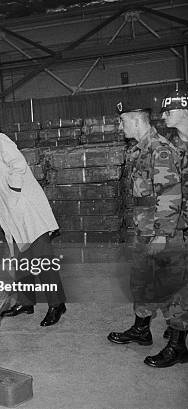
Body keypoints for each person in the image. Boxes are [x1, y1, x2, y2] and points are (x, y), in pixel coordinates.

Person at [0, 119, 66, 326]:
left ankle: (57, 304)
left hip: (27, 212)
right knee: (20, 260)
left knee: (42, 260)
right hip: (11, 217)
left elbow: (18, 164)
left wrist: (15, 192)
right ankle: (26, 302)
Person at [107, 101, 185, 367]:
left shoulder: (160, 150)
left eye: (122, 121)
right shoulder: (137, 150)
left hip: (161, 232)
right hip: (144, 229)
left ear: (137, 120)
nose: (120, 126)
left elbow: (170, 195)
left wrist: (162, 235)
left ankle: (178, 345)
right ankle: (141, 330)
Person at [139, 86, 188, 368]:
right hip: (178, 224)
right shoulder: (171, 147)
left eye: (171, 110)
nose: (165, 114)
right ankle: (178, 341)